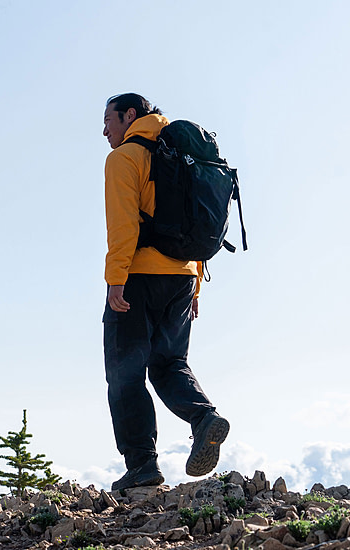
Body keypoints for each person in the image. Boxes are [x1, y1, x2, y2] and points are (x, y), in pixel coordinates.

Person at [101, 92, 229, 491]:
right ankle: (203, 418)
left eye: (109, 120)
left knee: (125, 373)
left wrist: (115, 280)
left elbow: (123, 226)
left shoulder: (125, 158)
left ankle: (142, 465)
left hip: (138, 276)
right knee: (169, 363)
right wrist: (194, 291)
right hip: (184, 276)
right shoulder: (179, 153)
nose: (105, 130)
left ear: (130, 115)